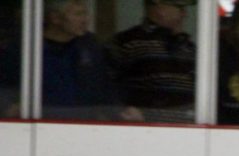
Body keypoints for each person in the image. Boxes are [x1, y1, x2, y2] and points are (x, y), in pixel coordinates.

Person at [0, 0, 141, 121]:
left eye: (85, 13)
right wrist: (7, 107)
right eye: (78, 14)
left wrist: (121, 111)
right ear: (55, 18)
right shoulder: (23, 47)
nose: (85, 19)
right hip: (38, 124)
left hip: (81, 126)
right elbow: (5, 86)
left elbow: (104, 88)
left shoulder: (91, 47)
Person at [106, 0, 196, 124]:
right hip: (140, 131)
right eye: (180, 8)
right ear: (159, 7)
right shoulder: (127, 42)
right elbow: (105, 90)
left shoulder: (190, 49)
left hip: (188, 132)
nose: (185, 15)